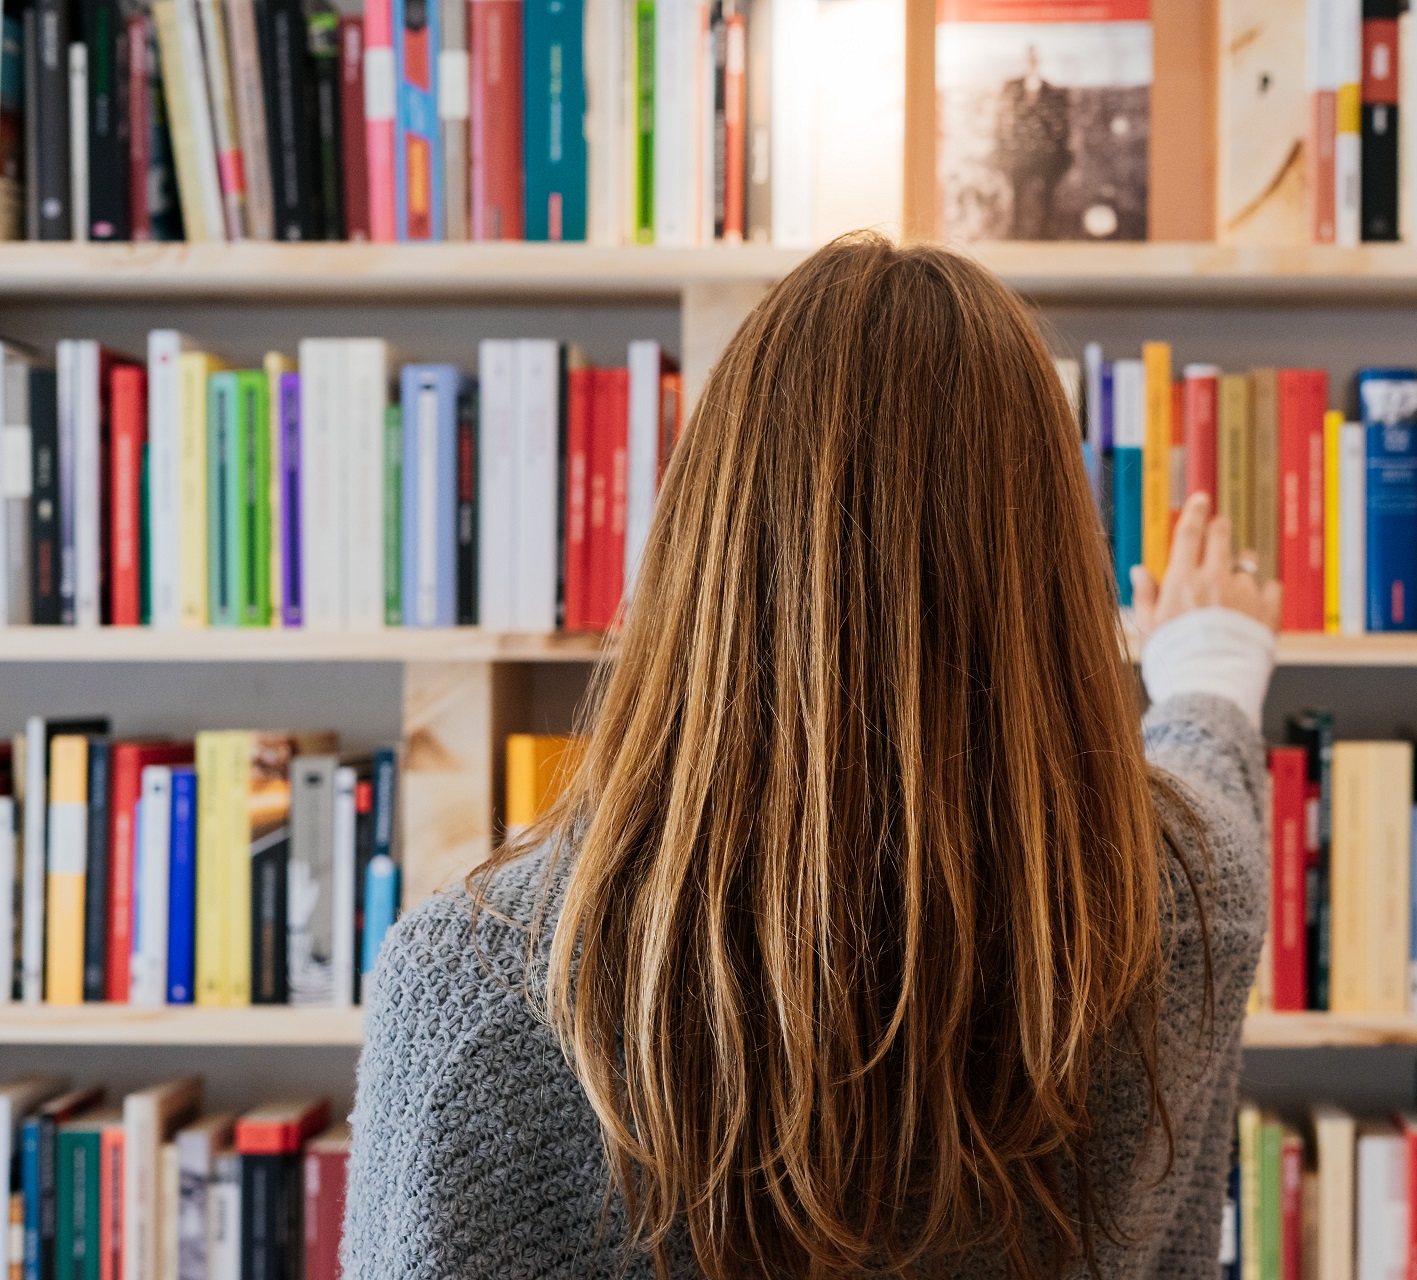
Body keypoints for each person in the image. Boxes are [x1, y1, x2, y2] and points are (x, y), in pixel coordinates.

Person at [343, 235, 1277, 1279]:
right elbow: (1210, 782)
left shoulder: (477, 995)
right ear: (1052, 569)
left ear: (704, 547)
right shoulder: (1182, 917)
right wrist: (1211, 656)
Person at [995, 45, 1072, 239]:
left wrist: (1054, 150)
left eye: (1034, 59)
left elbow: (1060, 126)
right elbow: (1003, 121)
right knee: (1017, 199)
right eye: (1028, 59)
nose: (1031, 63)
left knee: (1046, 200)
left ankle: (1045, 235)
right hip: (1018, 156)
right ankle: (1015, 234)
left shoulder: (1051, 91)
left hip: (1044, 157)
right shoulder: (1012, 88)